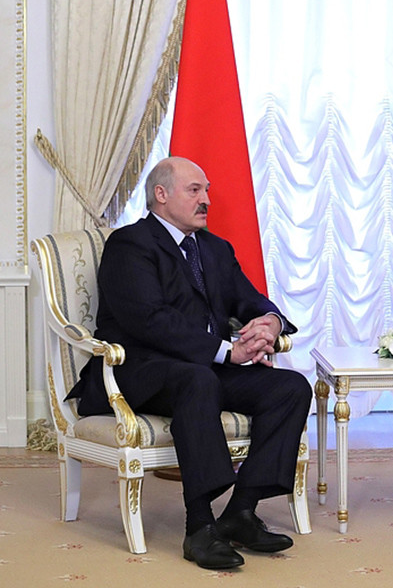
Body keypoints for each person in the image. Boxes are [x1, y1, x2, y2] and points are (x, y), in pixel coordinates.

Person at [68, 156, 312, 570]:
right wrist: (228, 352)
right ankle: (199, 527)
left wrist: (270, 322)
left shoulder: (214, 248)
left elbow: (250, 300)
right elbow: (150, 321)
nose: (206, 200)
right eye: (194, 190)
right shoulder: (130, 244)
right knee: (198, 380)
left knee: (290, 388)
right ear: (161, 195)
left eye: (207, 191)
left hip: (201, 370)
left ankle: (240, 511)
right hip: (140, 371)